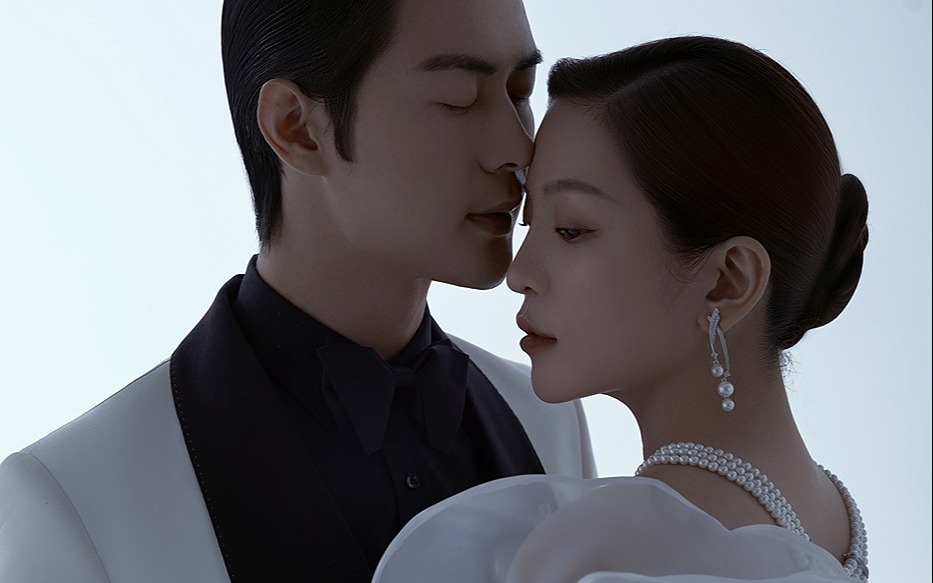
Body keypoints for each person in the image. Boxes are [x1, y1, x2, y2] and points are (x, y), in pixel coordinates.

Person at [0, 1, 595, 581]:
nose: (518, 149)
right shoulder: (74, 499)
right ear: (297, 128)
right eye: (458, 99)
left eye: (520, 92)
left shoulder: (550, 417)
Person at [372, 36, 870, 582]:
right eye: (529, 221)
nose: (519, 272)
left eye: (571, 229)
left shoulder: (601, 547)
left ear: (729, 281)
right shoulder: (833, 516)